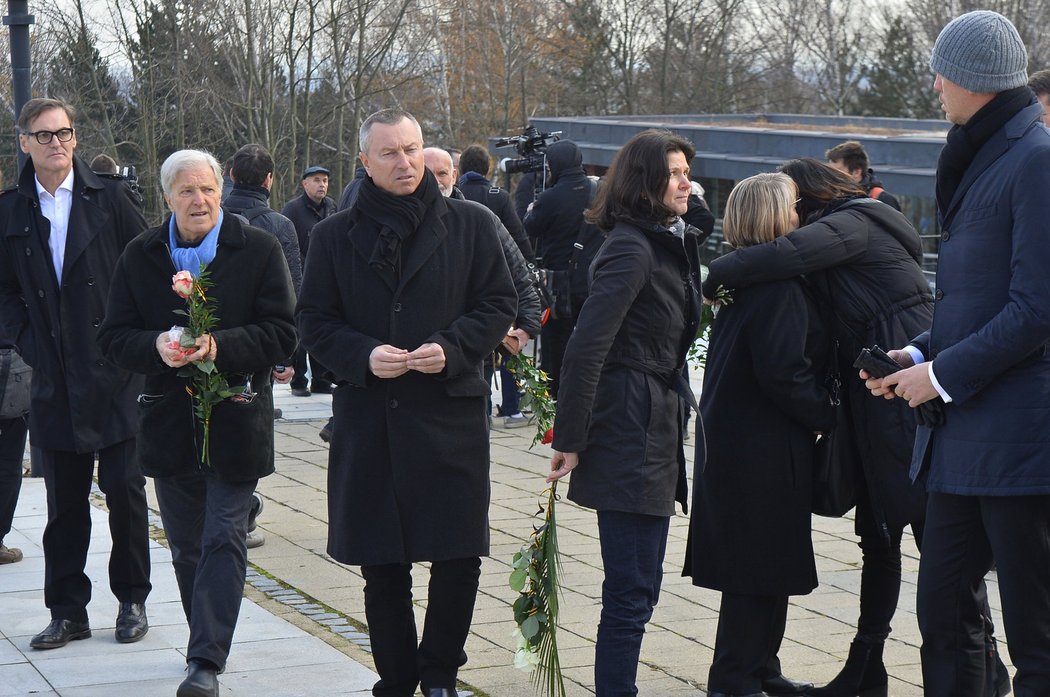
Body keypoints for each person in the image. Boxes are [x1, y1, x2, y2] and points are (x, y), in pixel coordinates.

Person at [702, 158, 1008, 697]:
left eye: (794, 200)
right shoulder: (840, 232)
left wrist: (722, 272)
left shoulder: (854, 220)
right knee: (883, 534)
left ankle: (978, 665)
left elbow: (787, 254)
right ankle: (869, 667)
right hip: (879, 392)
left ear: (812, 195)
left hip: (902, 389)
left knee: (926, 531)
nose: (791, 212)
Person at [296, 108, 515, 697]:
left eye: (413, 149)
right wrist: (362, 355)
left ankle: (440, 671)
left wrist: (455, 346)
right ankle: (395, 678)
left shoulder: (471, 223)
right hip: (372, 418)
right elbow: (313, 319)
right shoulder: (332, 235)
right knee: (382, 561)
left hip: (449, 412)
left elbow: (499, 303)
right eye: (390, 152)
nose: (405, 162)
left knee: (458, 553)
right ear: (364, 161)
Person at [862, 11, 1050, 696]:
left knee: (1036, 638)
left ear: (973, 79)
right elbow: (974, 302)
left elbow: (1037, 308)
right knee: (941, 614)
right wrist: (915, 352)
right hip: (963, 443)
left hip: (1020, 444)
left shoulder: (1036, 159)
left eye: (942, 70)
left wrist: (939, 375)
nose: (935, 83)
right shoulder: (986, 159)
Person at [98, 149, 297, 697]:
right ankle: (202, 643)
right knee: (186, 546)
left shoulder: (257, 248)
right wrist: (155, 346)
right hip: (168, 422)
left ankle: (206, 659)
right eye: (186, 191)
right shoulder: (141, 255)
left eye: (207, 189)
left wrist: (221, 345)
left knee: (224, 535)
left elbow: (282, 332)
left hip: (236, 417)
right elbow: (112, 337)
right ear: (168, 198)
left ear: (222, 190)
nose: (199, 200)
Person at [546, 129, 702, 696]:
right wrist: (571, 435)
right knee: (631, 590)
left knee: (640, 587)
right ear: (645, 182)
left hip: (653, 420)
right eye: (677, 173)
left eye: (688, 171)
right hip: (630, 424)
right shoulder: (632, 248)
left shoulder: (659, 237)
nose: (689, 183)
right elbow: (586, 345)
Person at [0, 97, 151, 650]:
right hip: (53, 376)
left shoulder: (111, 198)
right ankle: (68, 610)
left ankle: (132, 600)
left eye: (64, 133)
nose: (57, 142)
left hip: (115, 373)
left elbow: (147, 267)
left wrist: (137, 342)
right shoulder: (10, 210)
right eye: (44, 135)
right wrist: (30, 340)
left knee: (126, 496)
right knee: (63, 505)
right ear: (25, 143)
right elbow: (4, 292)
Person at [686, 173, 832, 697]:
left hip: (742, 440)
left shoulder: (747, 279)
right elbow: (783, 372)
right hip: (761, 446)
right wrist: (827, 414)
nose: (802, 213)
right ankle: (734, 677)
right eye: (794, 205)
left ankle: (760, 669)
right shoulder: (775, 286)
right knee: (756, 569)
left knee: (764, 565)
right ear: (777, 214)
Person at [434, 145, 540, 428]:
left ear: (455, 175)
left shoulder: (479, 218)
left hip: (472, 354)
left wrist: (526, 326)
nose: (436, 180)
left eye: (442, 173)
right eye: (428, 173)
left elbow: (520, 268)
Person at [523, 139, 597, 396]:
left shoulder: (550, 197)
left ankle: (559, 397)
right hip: (592, 282)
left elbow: (531, 228)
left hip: (558, 286)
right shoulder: (598, 192)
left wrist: (531, 209)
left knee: (557, 345)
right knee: (590, 343)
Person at [281, 165, 338, 397]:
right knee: (302, 330)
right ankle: (299, 380)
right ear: (305, 184)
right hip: (300, 276)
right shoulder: (292, 210)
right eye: (316, 180)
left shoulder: (331, 207)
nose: (322, 184)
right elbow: (285, 244)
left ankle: (322, 379)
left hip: (327, 276)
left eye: (325, 180)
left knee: (324, 327)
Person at [457, 144, 535, 262]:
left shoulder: (453, 195)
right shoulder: (499, 196)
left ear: (460, 168)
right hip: (493, 265)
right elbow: (517, 236)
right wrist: (532, 266)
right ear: (488, 169)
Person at [825, 141, 902, 211]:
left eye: (837, 171)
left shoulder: (883, 200)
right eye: (830, 170)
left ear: (856, 172)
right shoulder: (827, 198)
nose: (831, 175)